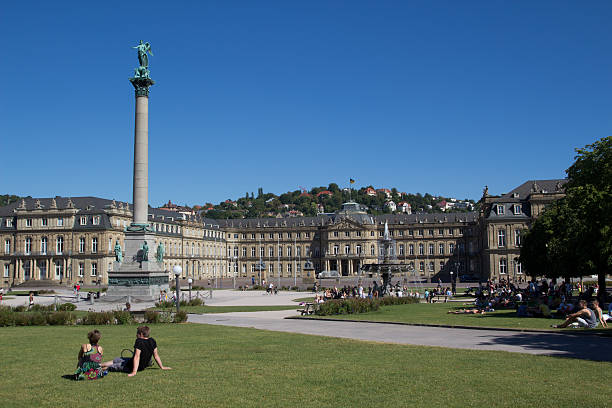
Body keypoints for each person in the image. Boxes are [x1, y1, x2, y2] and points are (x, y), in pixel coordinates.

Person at [101, 326, 171, 377]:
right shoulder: (152, 341)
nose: (136, 335)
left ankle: (97, 367)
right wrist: (162, 367)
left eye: (137, 333)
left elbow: (137, 357)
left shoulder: (139, 341)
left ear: (141, 334)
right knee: (116, 360)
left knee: (112, 366)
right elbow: (156, 356)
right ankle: (99, 365)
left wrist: (134, 371)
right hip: (131, 362)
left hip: (131, 366)